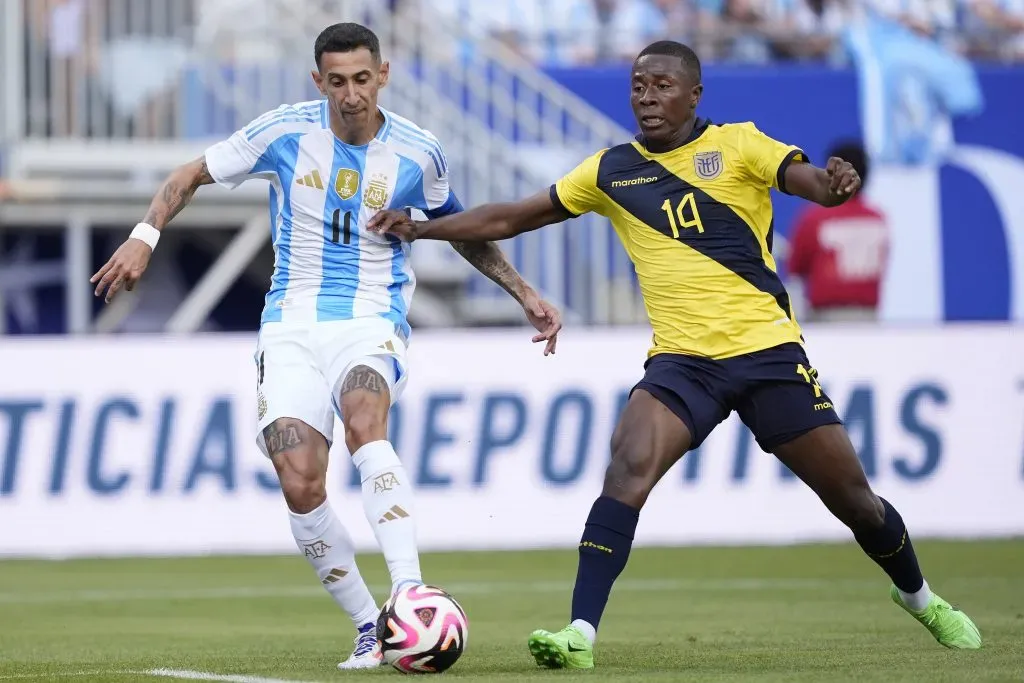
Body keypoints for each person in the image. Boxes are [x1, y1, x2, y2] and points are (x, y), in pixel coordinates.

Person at [367, 39, 982, 670]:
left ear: (694, 95)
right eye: (638, 87)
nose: (648, 98)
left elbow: (814, 185)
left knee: (855, 501)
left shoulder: (739, 144)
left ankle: (922, 599)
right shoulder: (610, 170)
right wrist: (423, 226)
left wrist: (834, 184)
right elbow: (512, 218)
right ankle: (579, 633)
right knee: (627, 466)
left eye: (663, 86)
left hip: (769, 353)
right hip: (683, 362)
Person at [90, 22, 561, 671]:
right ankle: (373, 626)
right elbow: (189, 173)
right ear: (319, 82)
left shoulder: (419, 153)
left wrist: (523, 291)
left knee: (365, 418)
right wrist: (146, 233)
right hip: (289, 325)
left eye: (361, 80)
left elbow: (459, 229)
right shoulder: (284, 132)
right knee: (299, 476)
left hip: (372, 316)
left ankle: (410, 590)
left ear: (383, 76)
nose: (350, 94)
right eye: (336, 81)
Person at [787, 140, 889, 322]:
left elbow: (796, 267)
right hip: (869, 318)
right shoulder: (877, 219)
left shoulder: (816, 218)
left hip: (826, 319)